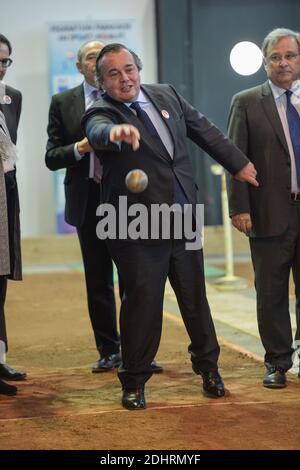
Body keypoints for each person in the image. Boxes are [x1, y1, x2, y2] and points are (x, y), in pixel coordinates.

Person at [82, 43, 258, 410]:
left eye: (129, 68)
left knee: (194, 299)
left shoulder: (166, 94)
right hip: (134, 225)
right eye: (113, 74)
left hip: (181, 215)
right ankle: (134, 380)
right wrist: (112, 135)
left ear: (138, 68)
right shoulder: (101, 110)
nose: (124, 78)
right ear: (101, 82)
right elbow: (97, 130)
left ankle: (209, 369)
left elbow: (205, 131)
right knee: (142, 302)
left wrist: (238, 164)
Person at [45, 40, 163, 374]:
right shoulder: (63, 102)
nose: (100, 64)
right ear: (82, 67)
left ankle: (138, 351)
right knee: (98, 281)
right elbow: (51, 156)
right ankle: (109, 350)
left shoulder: (130, 97)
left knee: (135, 279)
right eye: (92, 58)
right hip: (88, 200)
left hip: (129, 203)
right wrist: (81, 148)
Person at [227, 28, 300, 388]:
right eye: (276, 57)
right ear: (265, 61)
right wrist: (239, 207)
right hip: (269, 211)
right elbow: (234, 158)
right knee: (270, 293)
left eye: (290, 55)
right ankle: (277, 362)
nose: (283, 62)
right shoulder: (246, 101)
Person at [0, 33, 26, 396]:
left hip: (4, 194)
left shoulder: (11, 97)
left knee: (1, 275)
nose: (0, 67)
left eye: (5, 61)